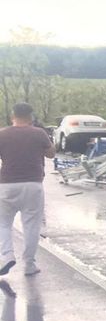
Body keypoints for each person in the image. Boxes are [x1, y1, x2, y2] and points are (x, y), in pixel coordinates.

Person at [0, 103, 55, 277]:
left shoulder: (2, 134)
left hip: (7, 185)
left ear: (12, 116)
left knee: (3, 223)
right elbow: (51, 154)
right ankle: (29, 265)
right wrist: (46, 137)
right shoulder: (39, 133)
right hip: (33, 185)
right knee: (31, 225)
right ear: (31, 117)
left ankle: (7, 256)